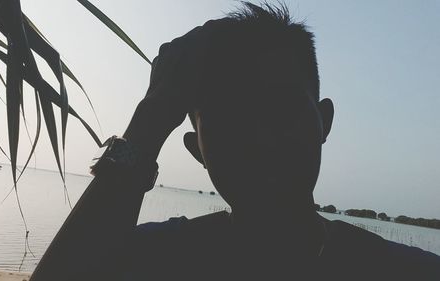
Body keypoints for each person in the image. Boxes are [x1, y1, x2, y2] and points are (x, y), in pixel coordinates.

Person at [30, 2, 440, 281]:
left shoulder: (402, 271)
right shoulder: (161, 259)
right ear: (197, 150)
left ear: (324, 122)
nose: (261, 139)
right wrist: (151, 119)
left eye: (281, 108)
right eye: (231, 119)